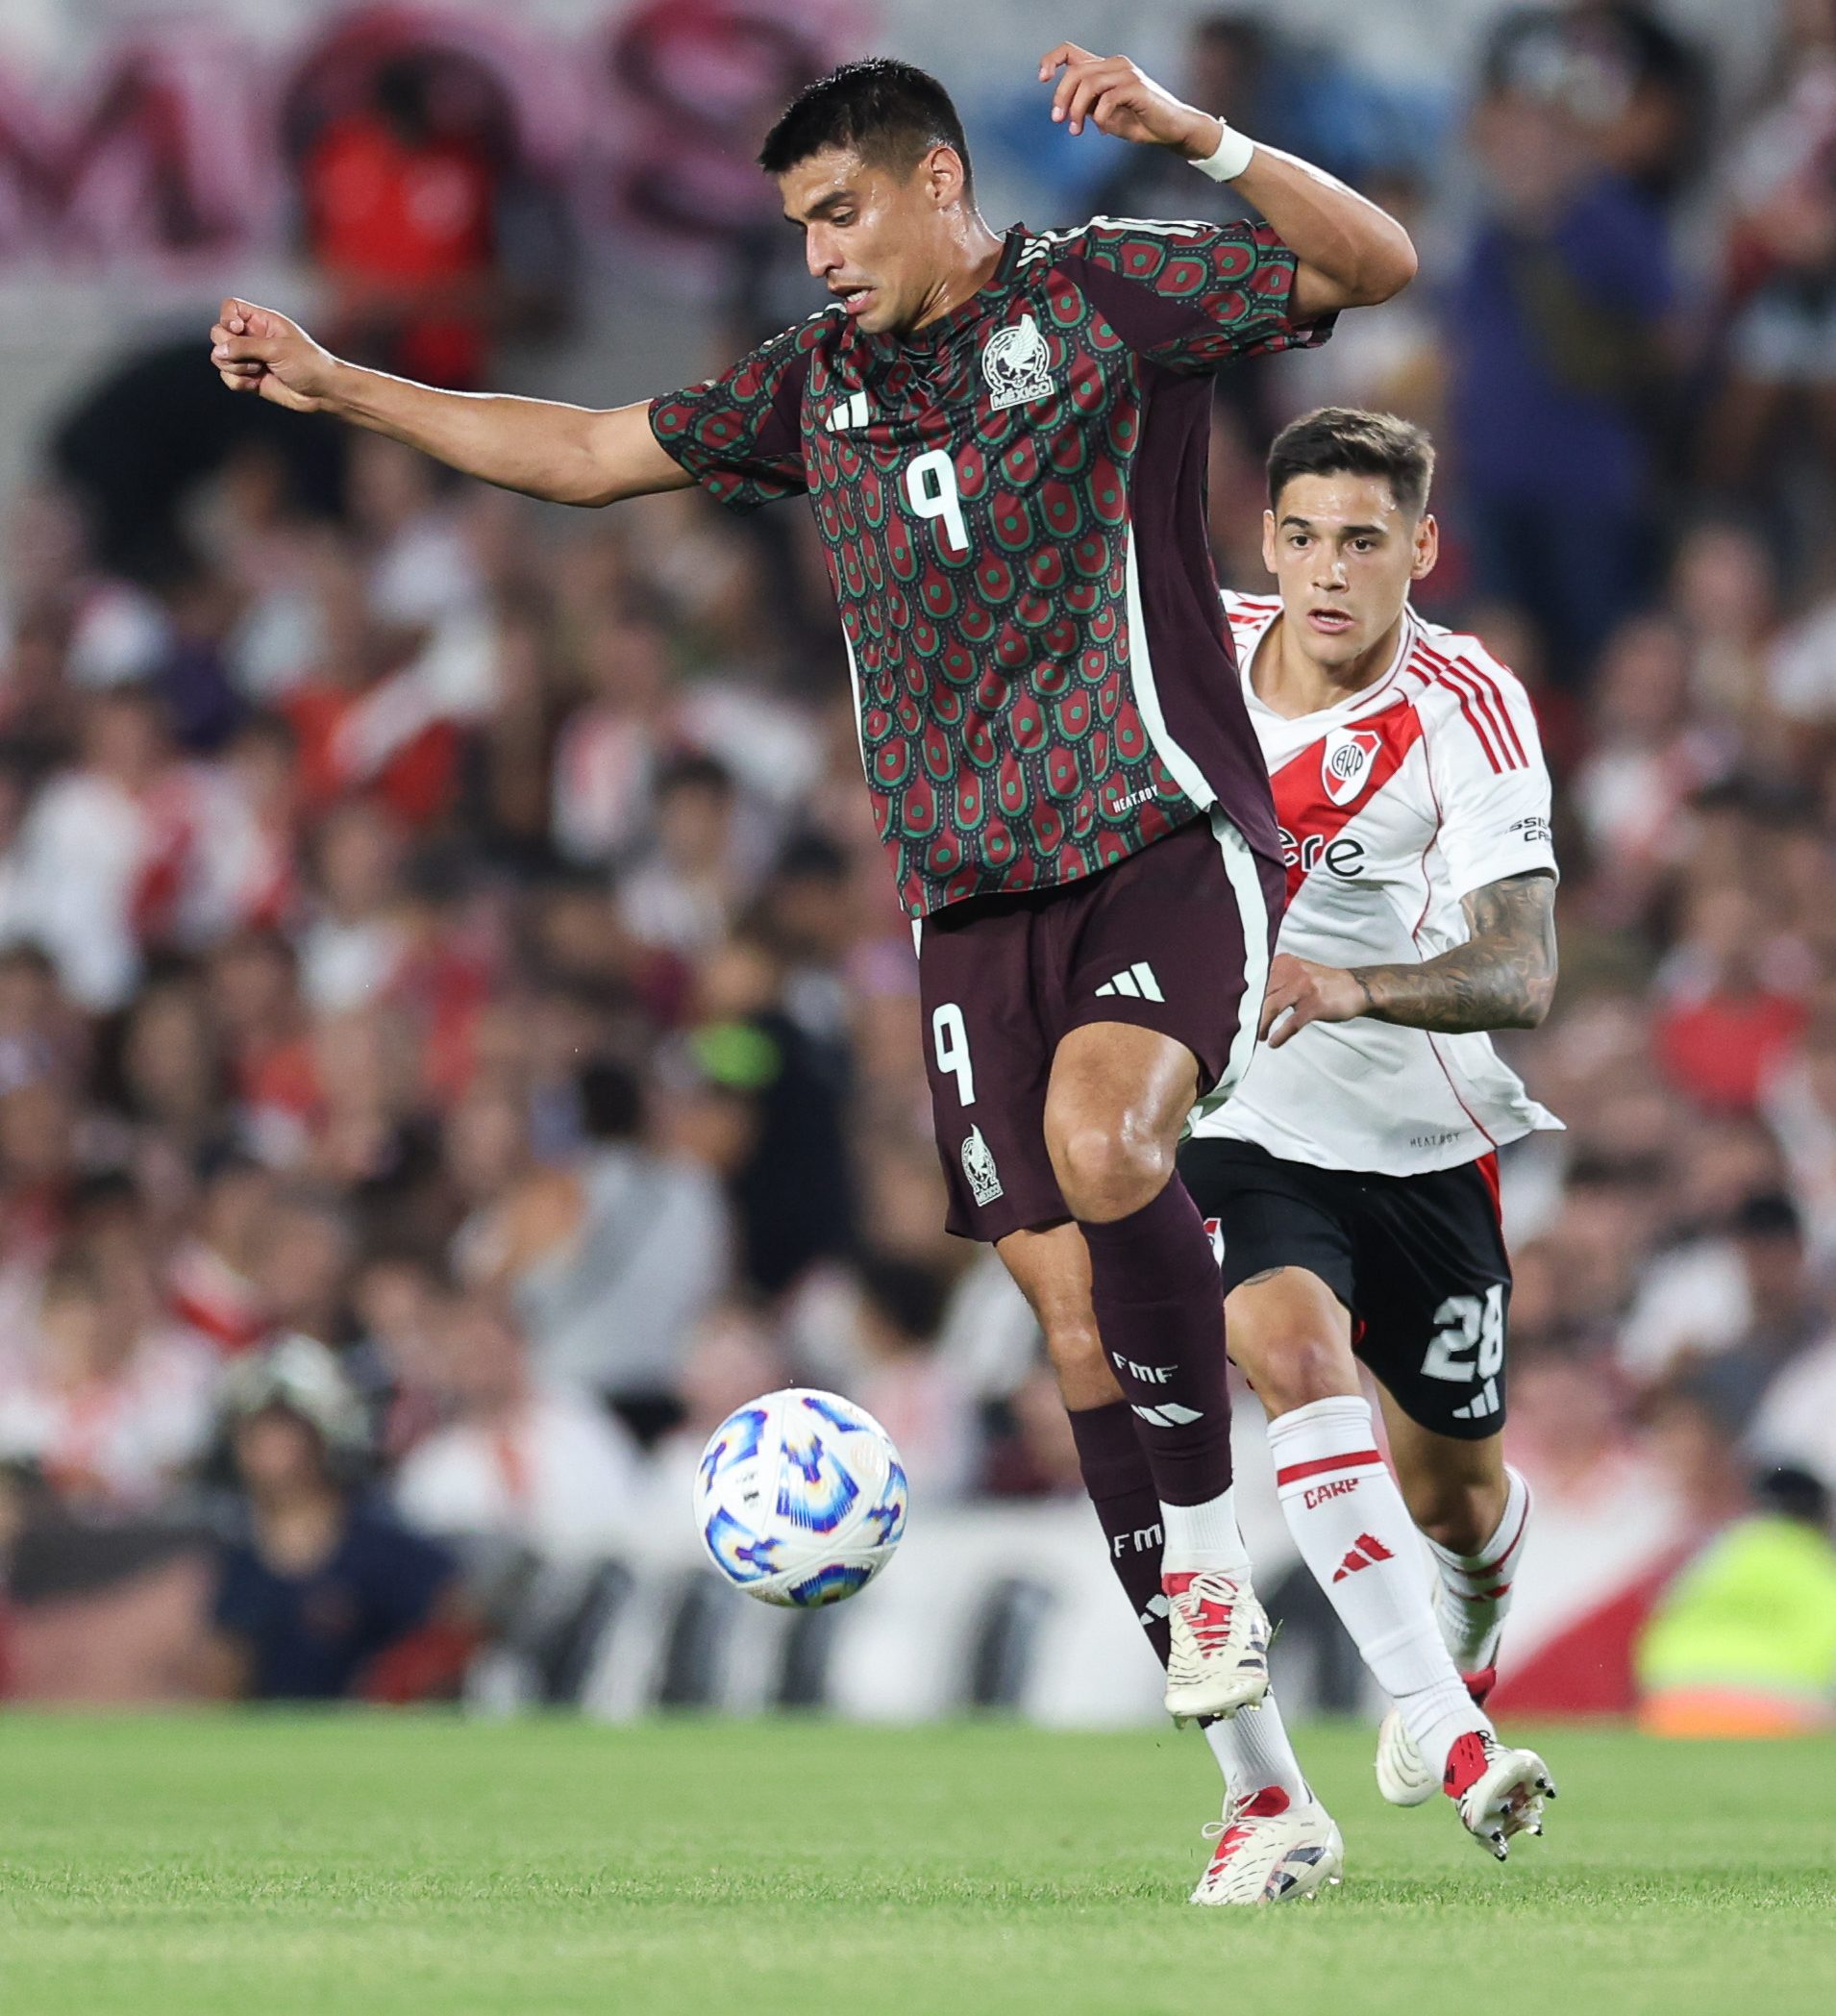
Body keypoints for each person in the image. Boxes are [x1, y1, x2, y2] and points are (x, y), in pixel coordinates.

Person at [210, 46, 1415, 1878]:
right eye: (798, 226)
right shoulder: (815, 384)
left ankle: (1200, 1560)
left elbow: (1368, 263)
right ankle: (1264, 1796)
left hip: (1160, 837)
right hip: (965, 900)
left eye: (840, 212)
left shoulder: (1106, 291)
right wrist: (342, 383)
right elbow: (587, 454)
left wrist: (1201, 137)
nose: (820, 254)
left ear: (938, 182)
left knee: (1106, 1145)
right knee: (1068, 1321)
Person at [1169, 409, 1560, 1895]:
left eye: (1362, 540)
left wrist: (1348, 983)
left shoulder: (1465, 702)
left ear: (1420, 549)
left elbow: (1521, 968)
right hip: (1234, 1113)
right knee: (1288, 1351)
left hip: (1413, 1134)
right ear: (1266, 542)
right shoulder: (1188, 648)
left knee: (1454, 1491)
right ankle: (1447, 1727)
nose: (1329, 571)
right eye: (1302, 537)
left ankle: (1471, 1618)